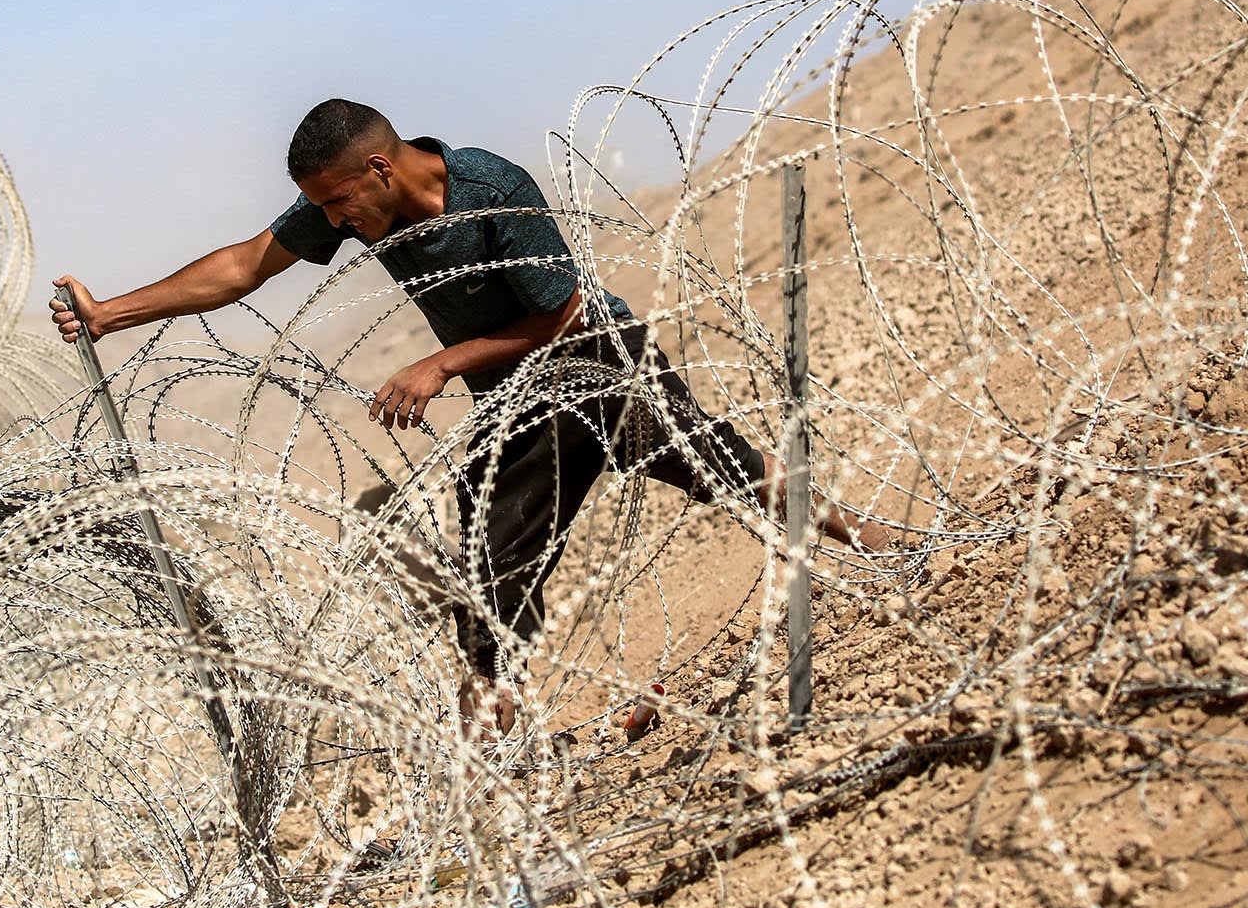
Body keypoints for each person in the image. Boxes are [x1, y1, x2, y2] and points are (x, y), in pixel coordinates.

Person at [53, 99, 887, 738]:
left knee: (725, 470)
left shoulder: (491, 187)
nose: (336, 224)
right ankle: (493, 749)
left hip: (598, 363)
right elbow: (242, 267)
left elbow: (559, 315)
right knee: (492, 569)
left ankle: (886, 554)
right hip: (518, 399)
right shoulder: (346, 203)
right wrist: (111, 315)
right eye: (325, 211)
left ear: (381, 169)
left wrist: (442, 361)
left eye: (342, 203)